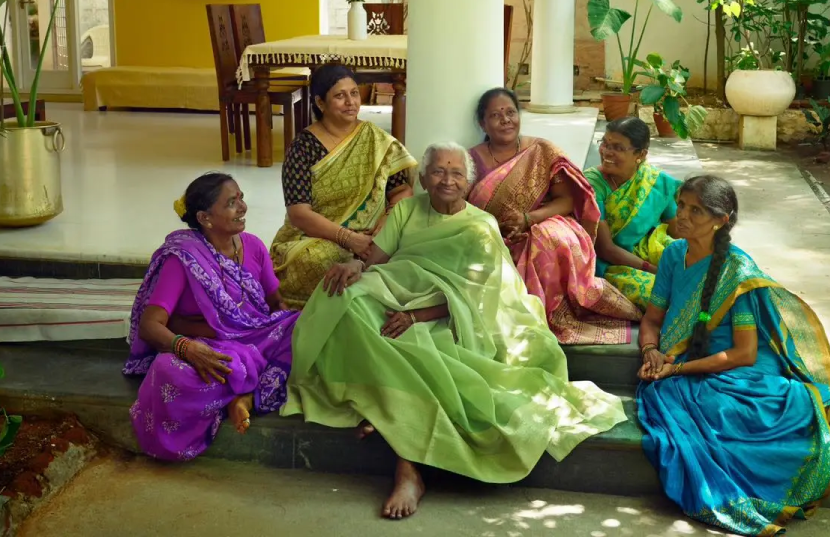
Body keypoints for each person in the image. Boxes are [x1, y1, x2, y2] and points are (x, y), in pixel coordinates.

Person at [282, 143, 627, 520]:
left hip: (451, 314)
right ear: (423, 178)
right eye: (438, 171)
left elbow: (480, 296)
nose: (447, 180)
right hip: (400, 292)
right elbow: (378, 259)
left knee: (415, 345)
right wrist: (354, 266)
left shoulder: (481, 225)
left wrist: (418, 316)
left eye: (456, 173)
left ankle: (405, 463)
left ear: (468, 182)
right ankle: (382, 405)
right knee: (344, 300)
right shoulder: (408, 210)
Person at [636, 175, 830, 535]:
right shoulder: (672, 254)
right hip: (681, 361)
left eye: (695, 210)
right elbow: (652, 320)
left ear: (720, 220)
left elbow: (743, 354)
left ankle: (817, 406)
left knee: (734, 410)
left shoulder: (738, 271)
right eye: (681, 205)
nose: (681, 215)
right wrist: (651, 350)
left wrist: (677, 369)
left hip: (733, 366)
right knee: (686, 409)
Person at [124, 173, 299, 462]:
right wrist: (188, 348)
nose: (242, 207)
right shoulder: (183, 258)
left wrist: (281, 329)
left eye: (241, 198)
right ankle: (245, 392)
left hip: (254, 340)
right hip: (211, 349)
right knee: (168, 371)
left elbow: (275, 304)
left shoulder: (254, 246)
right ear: (205, 218)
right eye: (231, 203)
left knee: (305, 328)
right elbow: (150, 325)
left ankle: (242, 396)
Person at [468, 88, 641, 344]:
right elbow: (466, 209)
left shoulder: (541, 150)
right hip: (495, 233)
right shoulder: (471, 159)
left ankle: (553, 313)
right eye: (495, 115)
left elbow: (567, 200)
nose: (505, 120)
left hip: (543, 219)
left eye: (510, 112)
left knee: (548, 239)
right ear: (483, 123)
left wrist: (529, 219)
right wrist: (499, 228)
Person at [271, 64, 417, 310]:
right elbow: (299, 213)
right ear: (320, 103)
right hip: (317, 235)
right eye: (340, 96)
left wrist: (386, 223)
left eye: (354, 93)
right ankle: (327, 310)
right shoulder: (303, 147)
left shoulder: (375, 138)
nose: (351, 102)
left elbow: (401, 191)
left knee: (408, 249)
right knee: (314, 261)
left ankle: (373, 308)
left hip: (372, 235)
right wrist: (349, 239)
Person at [584, 116, 681, 307]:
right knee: (661, 294)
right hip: (614, 265)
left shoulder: (654, 181)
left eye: (618, 148)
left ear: (641, 154)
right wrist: (654, 271)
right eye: (605, 144)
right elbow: (605, 248)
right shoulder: (592, 184)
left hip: (651, 249)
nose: (607, 152)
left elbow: (677, 230)